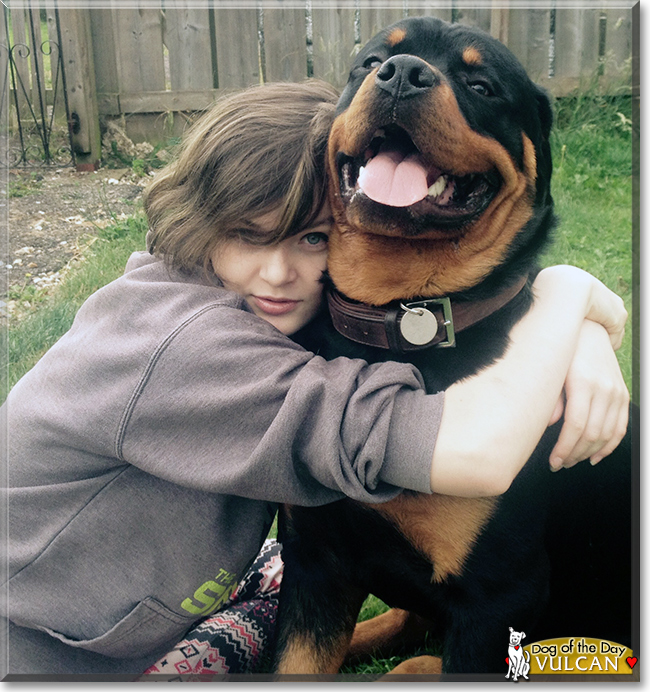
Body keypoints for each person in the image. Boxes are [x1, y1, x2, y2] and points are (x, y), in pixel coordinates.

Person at [1, 80, 628, 679]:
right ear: (199, 215)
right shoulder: (184, 346)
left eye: (312, 237)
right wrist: (565, 293)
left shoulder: (259, 305)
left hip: (124, 617)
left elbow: (440, 324)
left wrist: (580, 338)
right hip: (39, 653)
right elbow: (473, 451)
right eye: (249, 234)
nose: (278, 274)